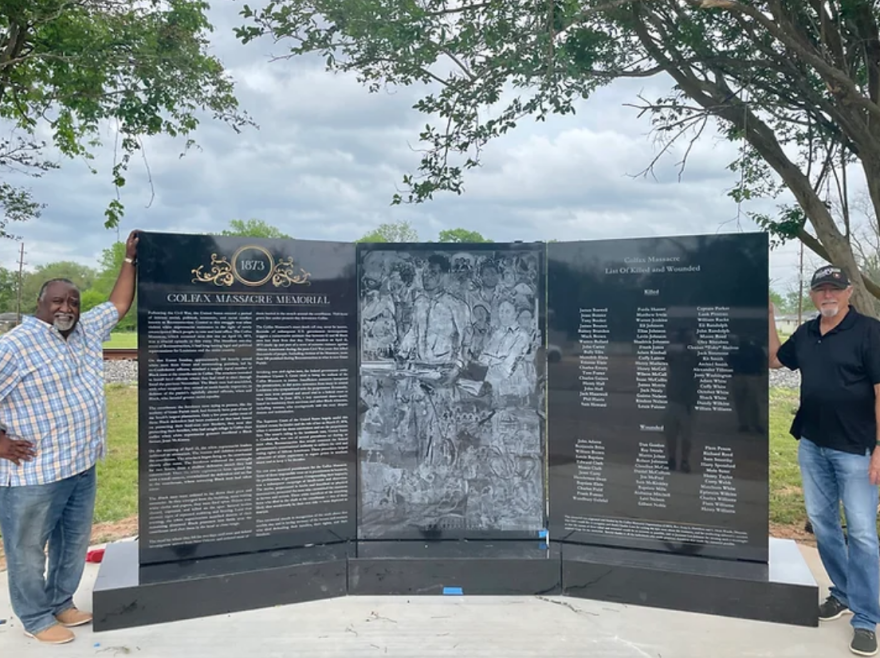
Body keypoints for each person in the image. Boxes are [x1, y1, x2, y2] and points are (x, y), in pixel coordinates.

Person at [0, 230, 139, 645]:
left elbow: (117, 304)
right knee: (27, 548)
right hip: (35, 472)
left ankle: (61, 601)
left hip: (80, 464)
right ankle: (35, 616)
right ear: (40, 305)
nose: (66, 308)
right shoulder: (16, 346)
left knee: (73, 541)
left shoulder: (84, 332)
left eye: (72, 302)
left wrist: (129, 261)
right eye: (58, 301)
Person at [769, 265, 880, 657]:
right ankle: (843, 592)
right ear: (813, 296)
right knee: (823, 524)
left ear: (849, 292)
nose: (827, 295)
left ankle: (867, 618)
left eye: (834, 288)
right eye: (820, 290)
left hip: (857, 448)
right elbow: (775, 361)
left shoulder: (869, 331)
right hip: (813, 444)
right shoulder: (808, 332)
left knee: (863, 534)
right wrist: (767, 315)